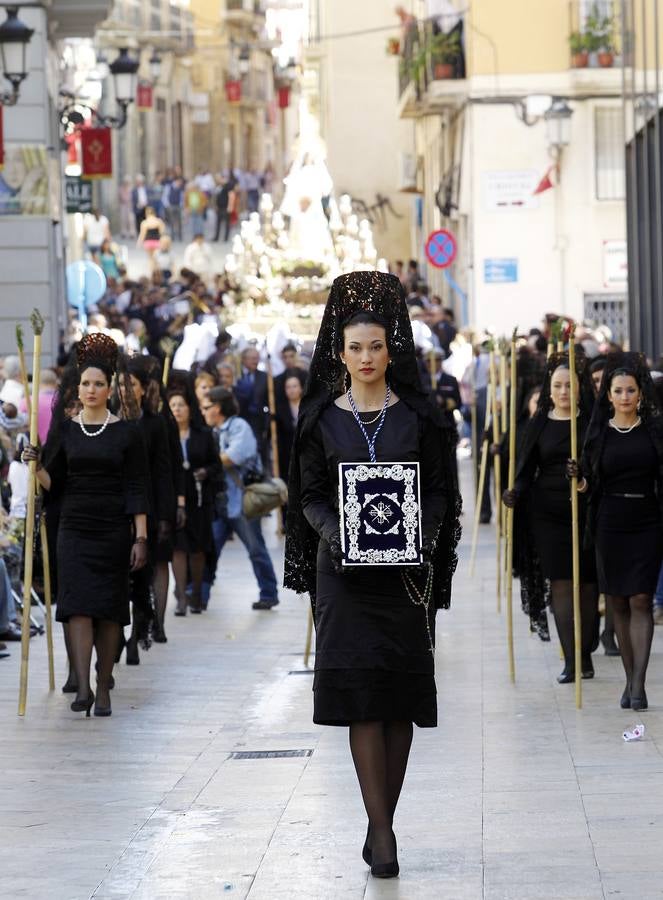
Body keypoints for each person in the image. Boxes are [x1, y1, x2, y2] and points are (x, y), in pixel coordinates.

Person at [284, 271, 461, 879]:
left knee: (399, 700)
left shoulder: (418, 417)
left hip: (405, 577)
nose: (366, 358)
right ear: (340, 352)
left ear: (393, 351)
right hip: (345, 579)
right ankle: (382, 834)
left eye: (376, 347)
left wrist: (422, 534)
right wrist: (339, 533)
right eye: (355, 348)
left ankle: (378, 820)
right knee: (363, 695)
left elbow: (439, 493)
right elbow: (307, 496)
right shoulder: (320, 421)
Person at [23, 333, 149, 718]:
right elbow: (54, 483)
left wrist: (140, 536)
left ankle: (105, 684)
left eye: (98, 384)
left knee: (109, 609)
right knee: (76, 606)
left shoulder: (127, 432)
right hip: (74, 528)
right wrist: (36, 464)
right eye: (85, 383)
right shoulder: (65, 430)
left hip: (112, 528)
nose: (91, 389)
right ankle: (83, 685)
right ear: (77, 388)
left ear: (109, 389)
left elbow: (136, 486)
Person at [503, 353, 599, 683]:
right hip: (547, 512)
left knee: (586, 585)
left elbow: (603, 466)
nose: (562, 391)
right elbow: (526, 470)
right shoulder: (539, 423)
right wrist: (514, 490)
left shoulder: (590, 423)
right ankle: (571, 660)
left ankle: (586, 652)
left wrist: (583, 472)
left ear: (578, 387)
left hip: (585, 511)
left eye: (568, 385)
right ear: (549, 389)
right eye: (556, 385)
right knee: (560, 582)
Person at [581, 354, 663, 710]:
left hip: (647, 519)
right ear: (609, 395)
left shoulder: (655, 430)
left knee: (641, 599)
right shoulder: (598, 433)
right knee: (617, 602)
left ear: (640, 394)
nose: (626, 396)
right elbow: (589, 483)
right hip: (610, 522)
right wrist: (579, 479)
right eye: (619, 391)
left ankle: (640, 685)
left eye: (631, 390)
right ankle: (629, 680)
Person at [200, 387, 280, 610]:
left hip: (243, 502)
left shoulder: (239, 427)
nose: (202, 411)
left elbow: (232, 457)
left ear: (217, 408)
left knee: (256, 549)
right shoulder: (209, 431)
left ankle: (268, 593)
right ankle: (200, 594)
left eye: (206, 407)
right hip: (219, 503)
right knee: (209, 549)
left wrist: (207, 462)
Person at [118, 357, 174, 656]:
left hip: (148, 506)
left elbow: (164, 469)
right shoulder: (111, 420)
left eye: (133, 385)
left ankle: (138, 634)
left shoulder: (155, 423)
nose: (127, 391)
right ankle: (118, 631)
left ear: (142, 389)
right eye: (123, 385)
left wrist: (166, 513)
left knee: (142, 573)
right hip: (116, 508)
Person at [168, 389, 220, 615]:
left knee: (198, 548)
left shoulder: (203, 434)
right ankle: (181, 596)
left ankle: (196, 593)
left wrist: (205, 472)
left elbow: (216, 465)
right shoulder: (166, 436)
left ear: (190, 408)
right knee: (178, 548)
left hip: (199, 498)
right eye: (173, 405)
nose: (177, 409)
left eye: (181, 404)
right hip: (173, 497)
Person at [235, 347, 270, 469]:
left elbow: (268, 401)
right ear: (244, 360)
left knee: (258, 447)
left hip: (257, 421)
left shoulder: (265, 377)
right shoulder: (236, 376)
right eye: (252, 358)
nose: (256, 361)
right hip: (240, 418)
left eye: (257, 358)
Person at [137, 206, 166, 273]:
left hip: (148, 243)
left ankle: (152, 272)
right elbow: (162, 232)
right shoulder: (158, 221)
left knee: (150, 259)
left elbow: (142, 234)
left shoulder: (144, 223)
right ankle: (157, 272)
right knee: (157, 258)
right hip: (157, 242)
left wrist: (139, 242)